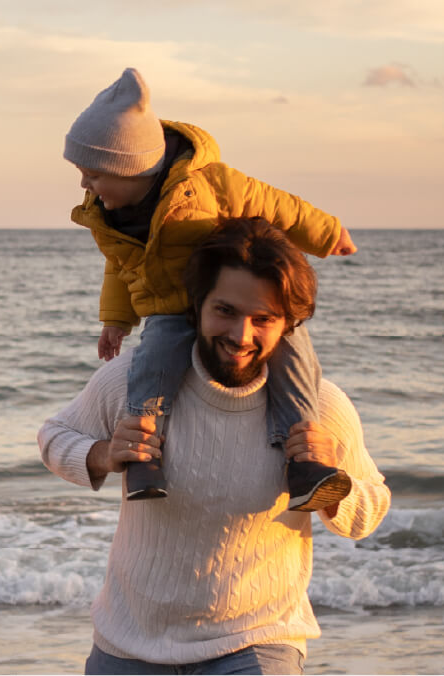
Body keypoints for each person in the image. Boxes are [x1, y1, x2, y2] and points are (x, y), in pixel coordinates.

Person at [37, 217, 389, 675]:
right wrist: (103, 454)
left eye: (262, 319)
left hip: (257, 641)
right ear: (197, 306)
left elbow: (369, 512)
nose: (241, 336)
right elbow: (53, 436)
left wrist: (332, 474)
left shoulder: (320, 407)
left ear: (288, 325)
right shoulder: (132, 384)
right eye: (225, 311)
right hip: (128, 643)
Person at [62, 67, 357, 509]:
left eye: (94, 174)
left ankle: (306, 462)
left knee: (294, 355)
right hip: (168, 306)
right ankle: (144, 455)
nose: (85, 185)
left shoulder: (207, 185)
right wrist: (116, 320)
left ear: (131, 169)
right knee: (151, 365)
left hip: (226, 294)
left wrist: (326, 232)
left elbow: (276, 205)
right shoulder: (107, 216)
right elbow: (118, 267)